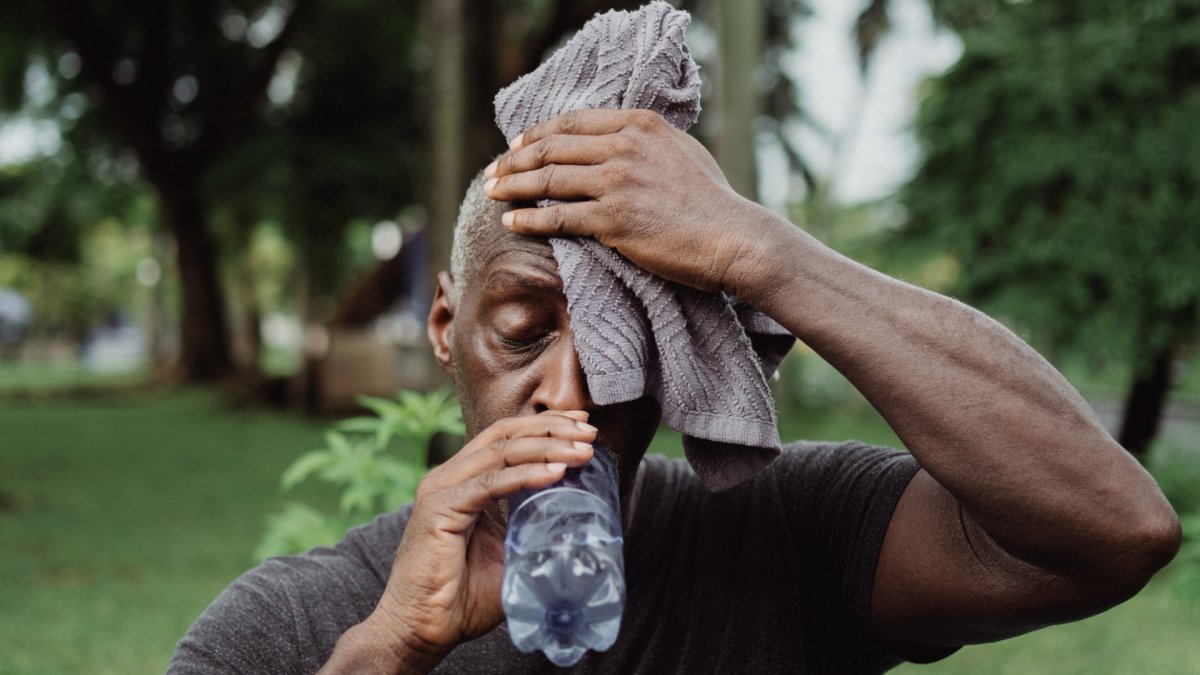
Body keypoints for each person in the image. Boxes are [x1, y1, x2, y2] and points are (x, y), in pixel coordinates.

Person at [169, 110, 1181, 674]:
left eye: (625, 339)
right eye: (521, 331)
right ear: (445, 327)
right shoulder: (289, 631)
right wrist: (389, 650)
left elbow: (1114, 531)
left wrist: (763, 251)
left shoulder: (783, 540)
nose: (566, 393)